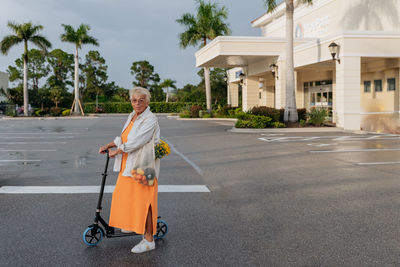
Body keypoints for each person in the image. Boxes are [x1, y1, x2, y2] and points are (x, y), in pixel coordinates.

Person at [99, 87, 160, 253]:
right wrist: (109, 145)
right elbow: (124, 137)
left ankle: (148, 240)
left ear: (147, 102)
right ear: (131, 102)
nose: (138, 103)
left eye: (141, 100)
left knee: (144, 203)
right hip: (128, 165)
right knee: (125, 197)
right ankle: (133, 224)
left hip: (142, 165)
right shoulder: (132, 116)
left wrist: (117, 151)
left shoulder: (150, 119)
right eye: (134, 100)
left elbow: (137, 141)